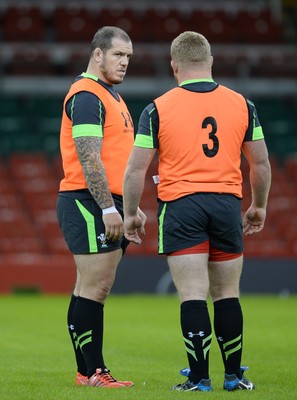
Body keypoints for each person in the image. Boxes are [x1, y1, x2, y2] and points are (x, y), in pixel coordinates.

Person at [123, 31, 271, 392]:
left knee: (192, 292)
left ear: (175, 67)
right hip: (225, 204)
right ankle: (234, 376)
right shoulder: (242, 104)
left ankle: (200, 378)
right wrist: (259, 206)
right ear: (211, 62)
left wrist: (129, 214)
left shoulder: (156, 108)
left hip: (181, 206)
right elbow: (261, 164)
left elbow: (135, 170)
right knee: (227, 293)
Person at [56, 26, 146, 389]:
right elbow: (89, 158)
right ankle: (95, 372)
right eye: (118, 55)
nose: (124, 63)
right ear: (98, 54)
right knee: (96, 288)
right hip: (88, 201)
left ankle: (85, 372)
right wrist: (110, 208)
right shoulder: (88, 95)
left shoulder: (111, 96)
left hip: (106, 202)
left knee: (88, 288)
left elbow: (118, 158)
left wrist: (131, 207)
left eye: (128, 57)